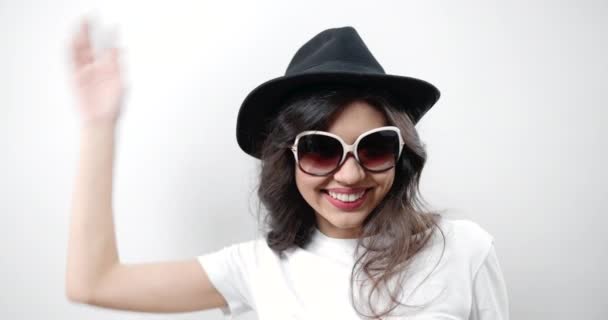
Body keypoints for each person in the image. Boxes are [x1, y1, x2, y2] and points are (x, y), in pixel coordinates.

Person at [66, 18, 509, 320]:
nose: (351, 175)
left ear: (401, 155)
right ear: (289, 159)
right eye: (321, 150)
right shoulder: (255, 268)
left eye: (374, 148)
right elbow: (94, 282)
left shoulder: (465, 250)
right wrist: (99, 125)